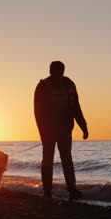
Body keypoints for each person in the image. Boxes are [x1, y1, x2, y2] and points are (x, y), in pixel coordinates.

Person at [34, 61, 89, 200]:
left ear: (63, 71)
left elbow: (76, 106)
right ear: (50, 71)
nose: (58, 74)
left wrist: (83, 126)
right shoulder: (42, 86)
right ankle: (47, 192)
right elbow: (37, 112)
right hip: (48, 130)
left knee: (67, 159)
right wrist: (42, 131)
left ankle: (72, 190)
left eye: (60, 71)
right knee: (47, 160)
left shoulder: (69, 85)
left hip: (65, 129)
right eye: (55, 71)